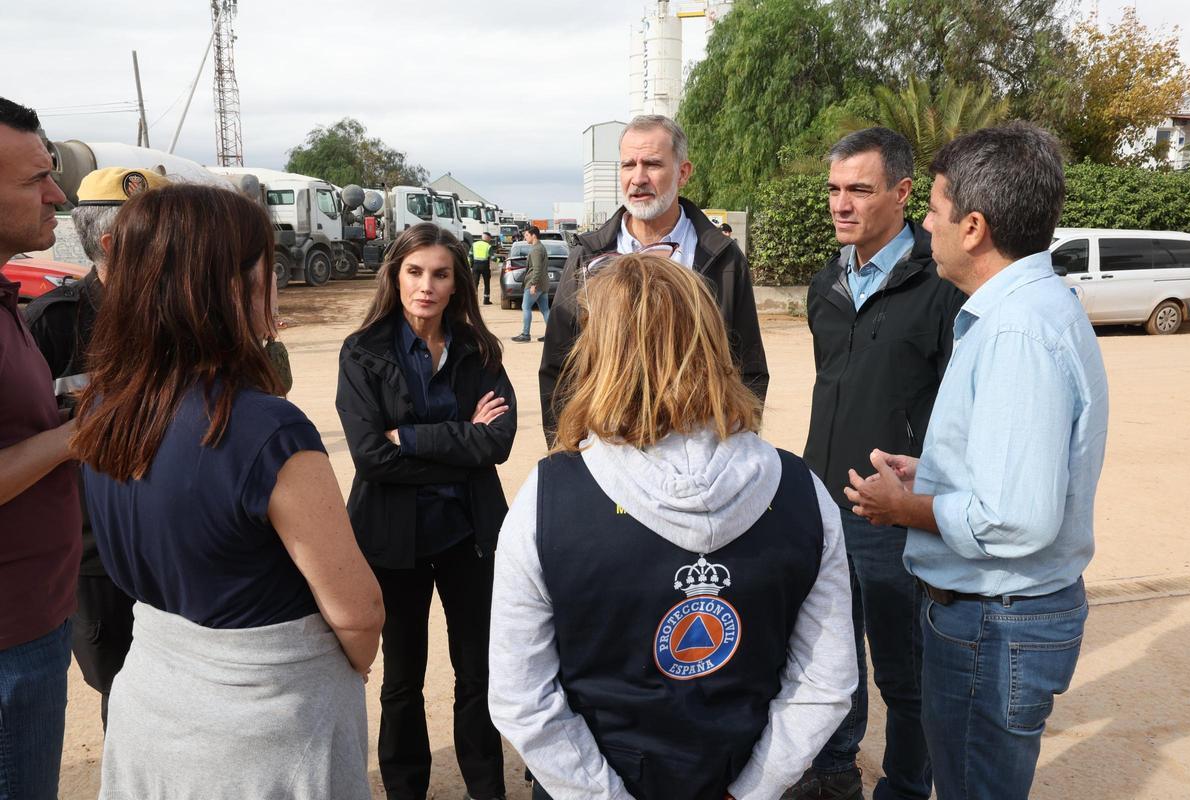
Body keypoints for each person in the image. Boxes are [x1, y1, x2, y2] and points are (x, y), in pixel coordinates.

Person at [490, 252, 856, 800]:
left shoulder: (545, 500)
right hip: (741, 776)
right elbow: (824, 680)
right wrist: (752, 789)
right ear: (714, 342)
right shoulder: (804, 492)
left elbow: (521, 695)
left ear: (598, 352)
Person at [73, 183, 385, 799]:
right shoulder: (265, 428)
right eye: (267, 267)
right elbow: (359, 612)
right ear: (229, 285)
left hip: (151, 701)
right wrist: (345, 664)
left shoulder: (106, 404)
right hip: (263, 729)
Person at [844, 122, 1108, 800]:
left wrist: (906, 507)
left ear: (973, 228)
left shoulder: (1017, 330)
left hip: (996, 622)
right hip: (998, 618)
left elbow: (1017, 518)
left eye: (934, 209)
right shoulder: (1024, 311)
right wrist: (931, 473)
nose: (926, 225)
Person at [793, 128, 963, 800]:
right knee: (830, 658)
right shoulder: (824, 284)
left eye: (859, 190)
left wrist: (917, 492)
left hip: (892, 516)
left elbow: (958, 409)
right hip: (822, 506)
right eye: (834, 189)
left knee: (903, 671)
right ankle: (837, 771)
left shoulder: (940, 285)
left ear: (901, 193)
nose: (842, 204)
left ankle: (905, 785)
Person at [336, 222, 515, 800]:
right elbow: (370, 456)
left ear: (457, 281)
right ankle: (405, 790)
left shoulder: (479, 350)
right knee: (402, 680)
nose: (426, 286)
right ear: (396, 276)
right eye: (415, 272)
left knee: (478, 675)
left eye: (440, 274)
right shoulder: (362, 352)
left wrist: (410, 438)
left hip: (469, 536)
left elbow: (498, 442)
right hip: (394, 542)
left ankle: (486, 789)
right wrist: (462, 444)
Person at [24, 166, 170, 731]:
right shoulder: (53, 324)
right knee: (123, 689)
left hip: (177, 536)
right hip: (96, 553)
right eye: (163, 229)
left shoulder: (182, 316)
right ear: (113, 244)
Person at [539, 114, 768, 444]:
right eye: (628, 165)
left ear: (683, 172)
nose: (638, 178)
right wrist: (567, 450)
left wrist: (736, 446)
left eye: (652, 164)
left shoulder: (721, 257)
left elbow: (748, 367)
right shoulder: (587, 257)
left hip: (697, 450)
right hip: (605, 449)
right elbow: (558, 367)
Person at [0, 95, 78, 800]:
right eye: (35, 180)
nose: (57, 194)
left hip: (33, 621)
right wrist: (75, 436)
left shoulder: (8, 298)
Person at [513, 225, 549, 342]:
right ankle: (552, 335)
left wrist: (533, 284)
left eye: (527, 235)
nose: (525, 238)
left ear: (533, 236)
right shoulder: (540, 247)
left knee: (526, 307)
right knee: (545, 310)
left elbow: (537, 269)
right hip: (543, 283)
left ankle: (525, 334)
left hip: (535, 284)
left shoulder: (536, 250)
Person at [472, 230, 496, 305]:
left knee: (475, 283)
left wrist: (471, 265)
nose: (490, 240)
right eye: (490, 238)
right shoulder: (488, 246)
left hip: (475, 265)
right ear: (488, 238)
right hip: (484, 266)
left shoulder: (474, 244)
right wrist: (499, 260)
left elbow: (470, 255)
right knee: (486, 283)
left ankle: (474, 301)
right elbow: (493, 258)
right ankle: (486, 300)